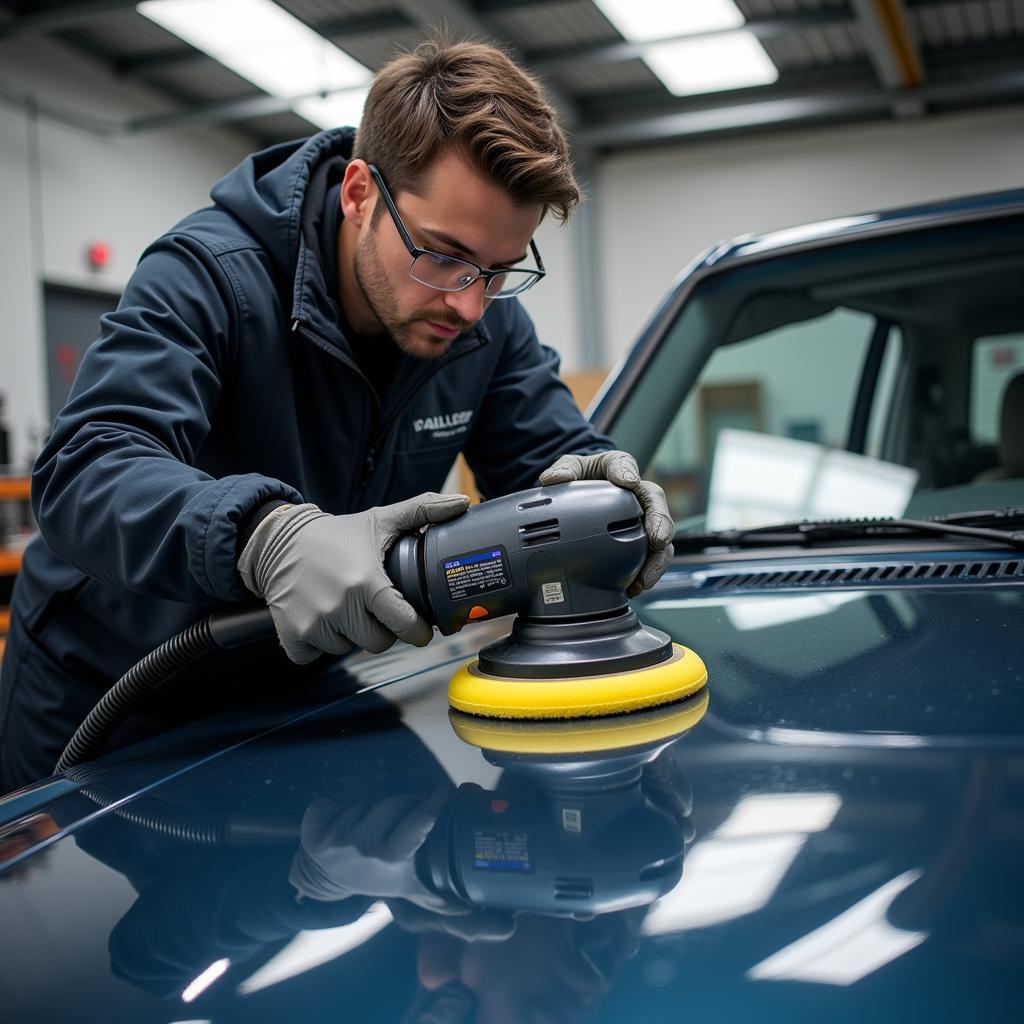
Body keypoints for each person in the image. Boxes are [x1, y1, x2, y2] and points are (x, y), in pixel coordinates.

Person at [0, 37, 673, 792]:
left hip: (297, 694)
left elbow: (547, 459)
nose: (470, 303)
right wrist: (264, 536)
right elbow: (86, 465)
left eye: (500, 269)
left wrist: (601, 492)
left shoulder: (482, 322)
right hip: (111, 703)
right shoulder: (208, 276)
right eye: (445, 256)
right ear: (359, 193)